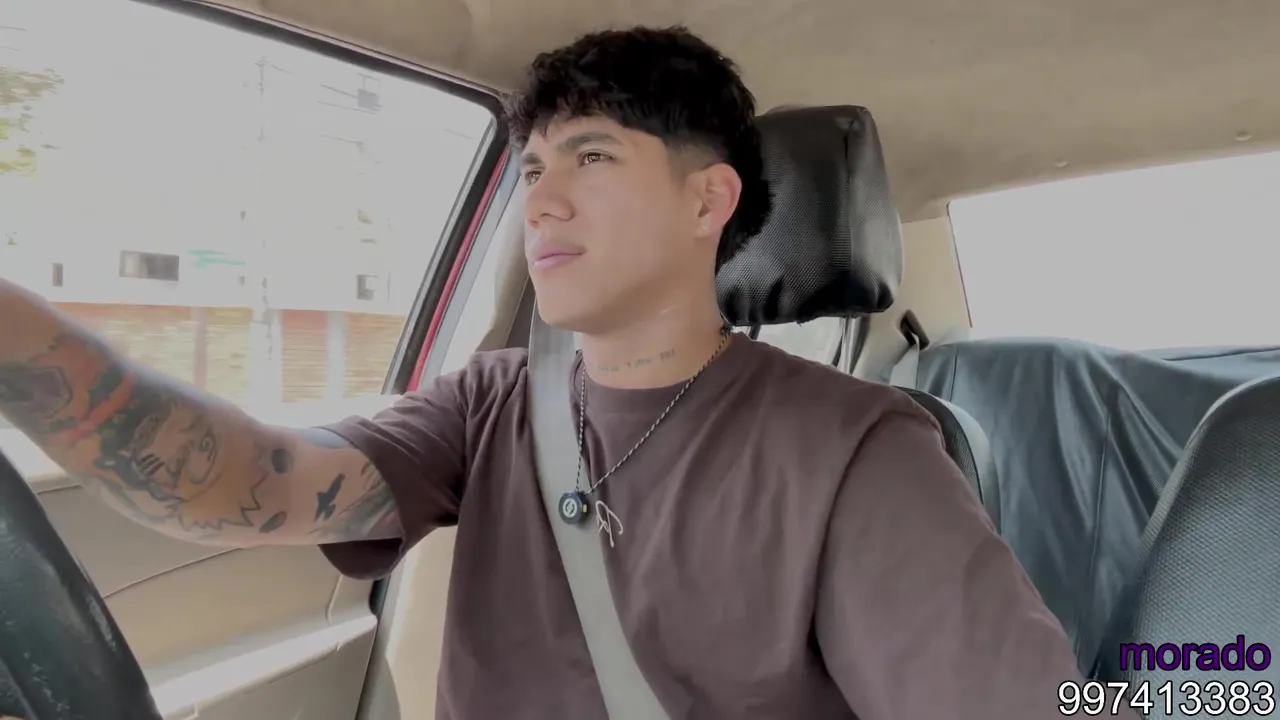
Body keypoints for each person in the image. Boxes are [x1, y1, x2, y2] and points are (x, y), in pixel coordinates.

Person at [0, 25, 1122, 720]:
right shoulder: (488, 403)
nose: (539, 199)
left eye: (591, 157)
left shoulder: (857, 451)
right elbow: (244, 482)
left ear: (707, 200)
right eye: (533, 166)